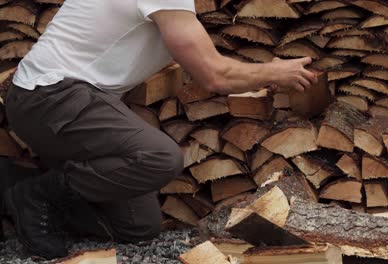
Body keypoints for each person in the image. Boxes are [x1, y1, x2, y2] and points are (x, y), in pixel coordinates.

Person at [2, 0, 318, 259]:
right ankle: (36, 195)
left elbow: (201, 61)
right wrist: (270, 71)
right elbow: (213, 76)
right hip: (49, 95)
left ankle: (13, 182)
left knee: (137, 229)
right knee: (159, 157)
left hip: (68, 103)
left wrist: (260, 74)